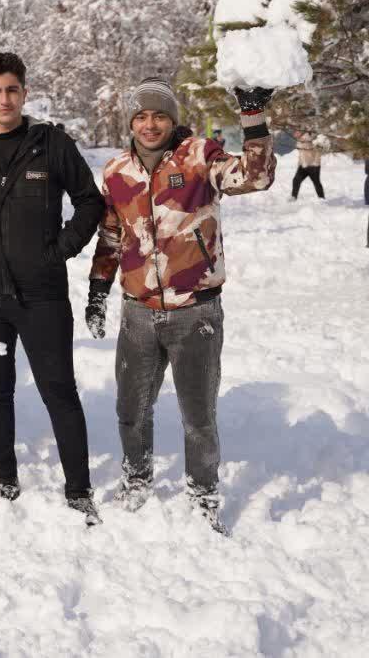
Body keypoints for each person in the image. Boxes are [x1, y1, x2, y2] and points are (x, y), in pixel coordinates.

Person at [85, 78, 277, 535]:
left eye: (159, 116)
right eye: (141, 116)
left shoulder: (199, 157)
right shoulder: (116, 171)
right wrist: (97, 290)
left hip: (196, 311)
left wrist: (252, 118)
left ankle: (203, 495)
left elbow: (256, 177)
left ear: (172, 120)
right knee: (131, 410)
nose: (150, 125)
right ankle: (136, 482)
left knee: (198, 417)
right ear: (130, 122)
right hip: (138, 312)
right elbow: (111, 236)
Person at [0, 52, 104, 525]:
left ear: (24, 93)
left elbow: (90, 202)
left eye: (12, 89)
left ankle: (79, 490)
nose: (5, 99)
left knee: (59, 390)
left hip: (42, 294)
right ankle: (5, 482)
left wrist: (60, 250)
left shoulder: (50, 144)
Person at [291, 130, 325, 200]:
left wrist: (316, 163)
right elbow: (302, 154)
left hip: (313, 166)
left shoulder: (311, 139)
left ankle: (321, 198)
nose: (294, 134)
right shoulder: (299, 141)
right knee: (296, 180)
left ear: (301, 132)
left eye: (296, 132)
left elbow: (318, 152)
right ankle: (293, 197)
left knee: (316, 182)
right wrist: (300, 163)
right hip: (303, 165)